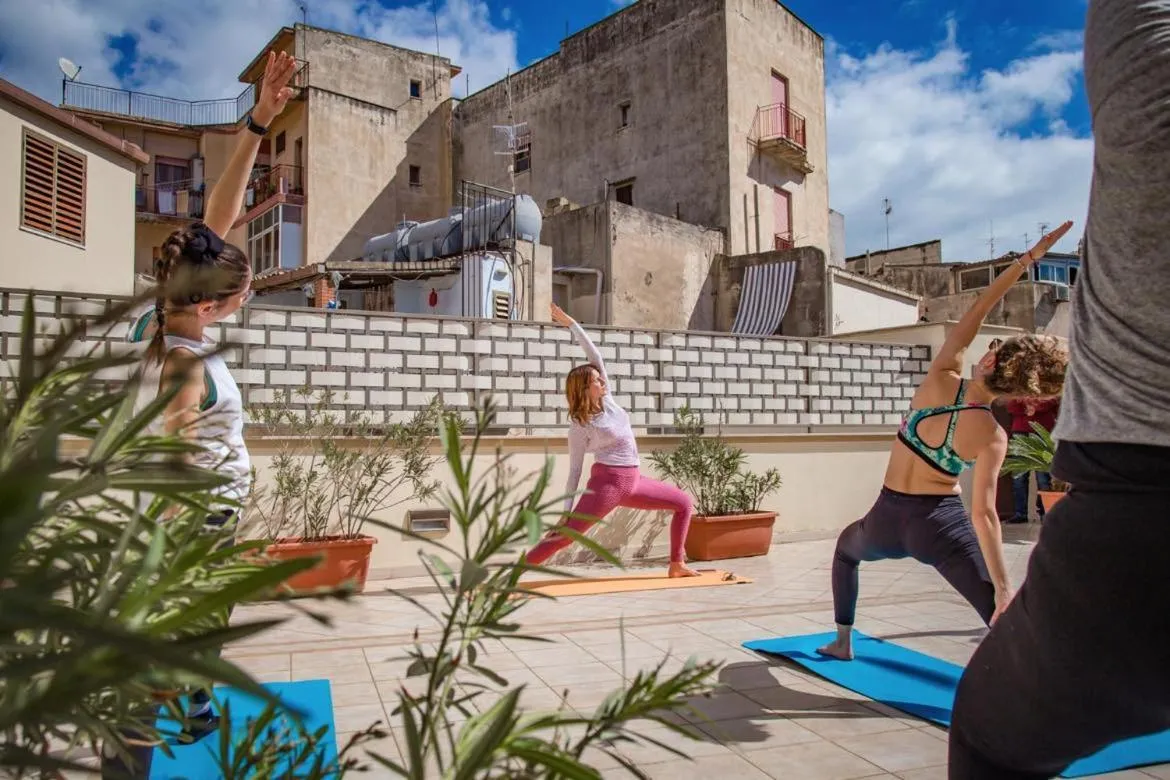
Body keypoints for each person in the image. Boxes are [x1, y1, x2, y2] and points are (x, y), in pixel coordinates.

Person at [948, 1, 1170, 776]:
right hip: (1107, 510)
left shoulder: (960, 393)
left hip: (1131, 521)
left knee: (985, 733)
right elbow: (979, 513)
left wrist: (1011, 590)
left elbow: (983, 513)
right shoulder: (989, 419)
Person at [104, 51, 299, 778]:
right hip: (189, 530)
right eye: (242, 292)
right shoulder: (184, 363)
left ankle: (187, 701)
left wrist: (256, 124)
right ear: (214, 303)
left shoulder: (157, 323)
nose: (245, 295)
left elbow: (214, 222)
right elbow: (176, 449)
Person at [816, 224, 1072, 661]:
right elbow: (985, 514)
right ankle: (1051, 681)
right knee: (999, 610)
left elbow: (981, 303)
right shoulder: (992, 434)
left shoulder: (940, 378)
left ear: (988, 359)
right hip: (939, 526)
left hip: (885, 518)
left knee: (846, 550)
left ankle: (842, 642)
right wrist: (1005, 586)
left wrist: (1025, 261)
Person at [524, 304, 700, 578]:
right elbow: (574, 471)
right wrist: (565, 512)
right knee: (566, 536)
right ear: (585, 388)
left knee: (683, 503)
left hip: (634, 481)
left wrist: (572, 324)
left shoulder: (609, 402)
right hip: (608, 484)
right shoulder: (580, 427)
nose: (603, 381)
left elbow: (595, 355)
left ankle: (677, 564)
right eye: (597, 380)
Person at [1003, 396, 1060, 523]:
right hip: (1020, 432)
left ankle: (1045, 513)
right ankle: (1020, 513)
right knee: (1019, 476)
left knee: (1043, 478)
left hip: (1042, 431)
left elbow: (1052, 401)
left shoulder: (1047, 381)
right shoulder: (1019, 382)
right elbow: (1011, 406)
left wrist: (1033, 406)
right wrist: (1028, 405)